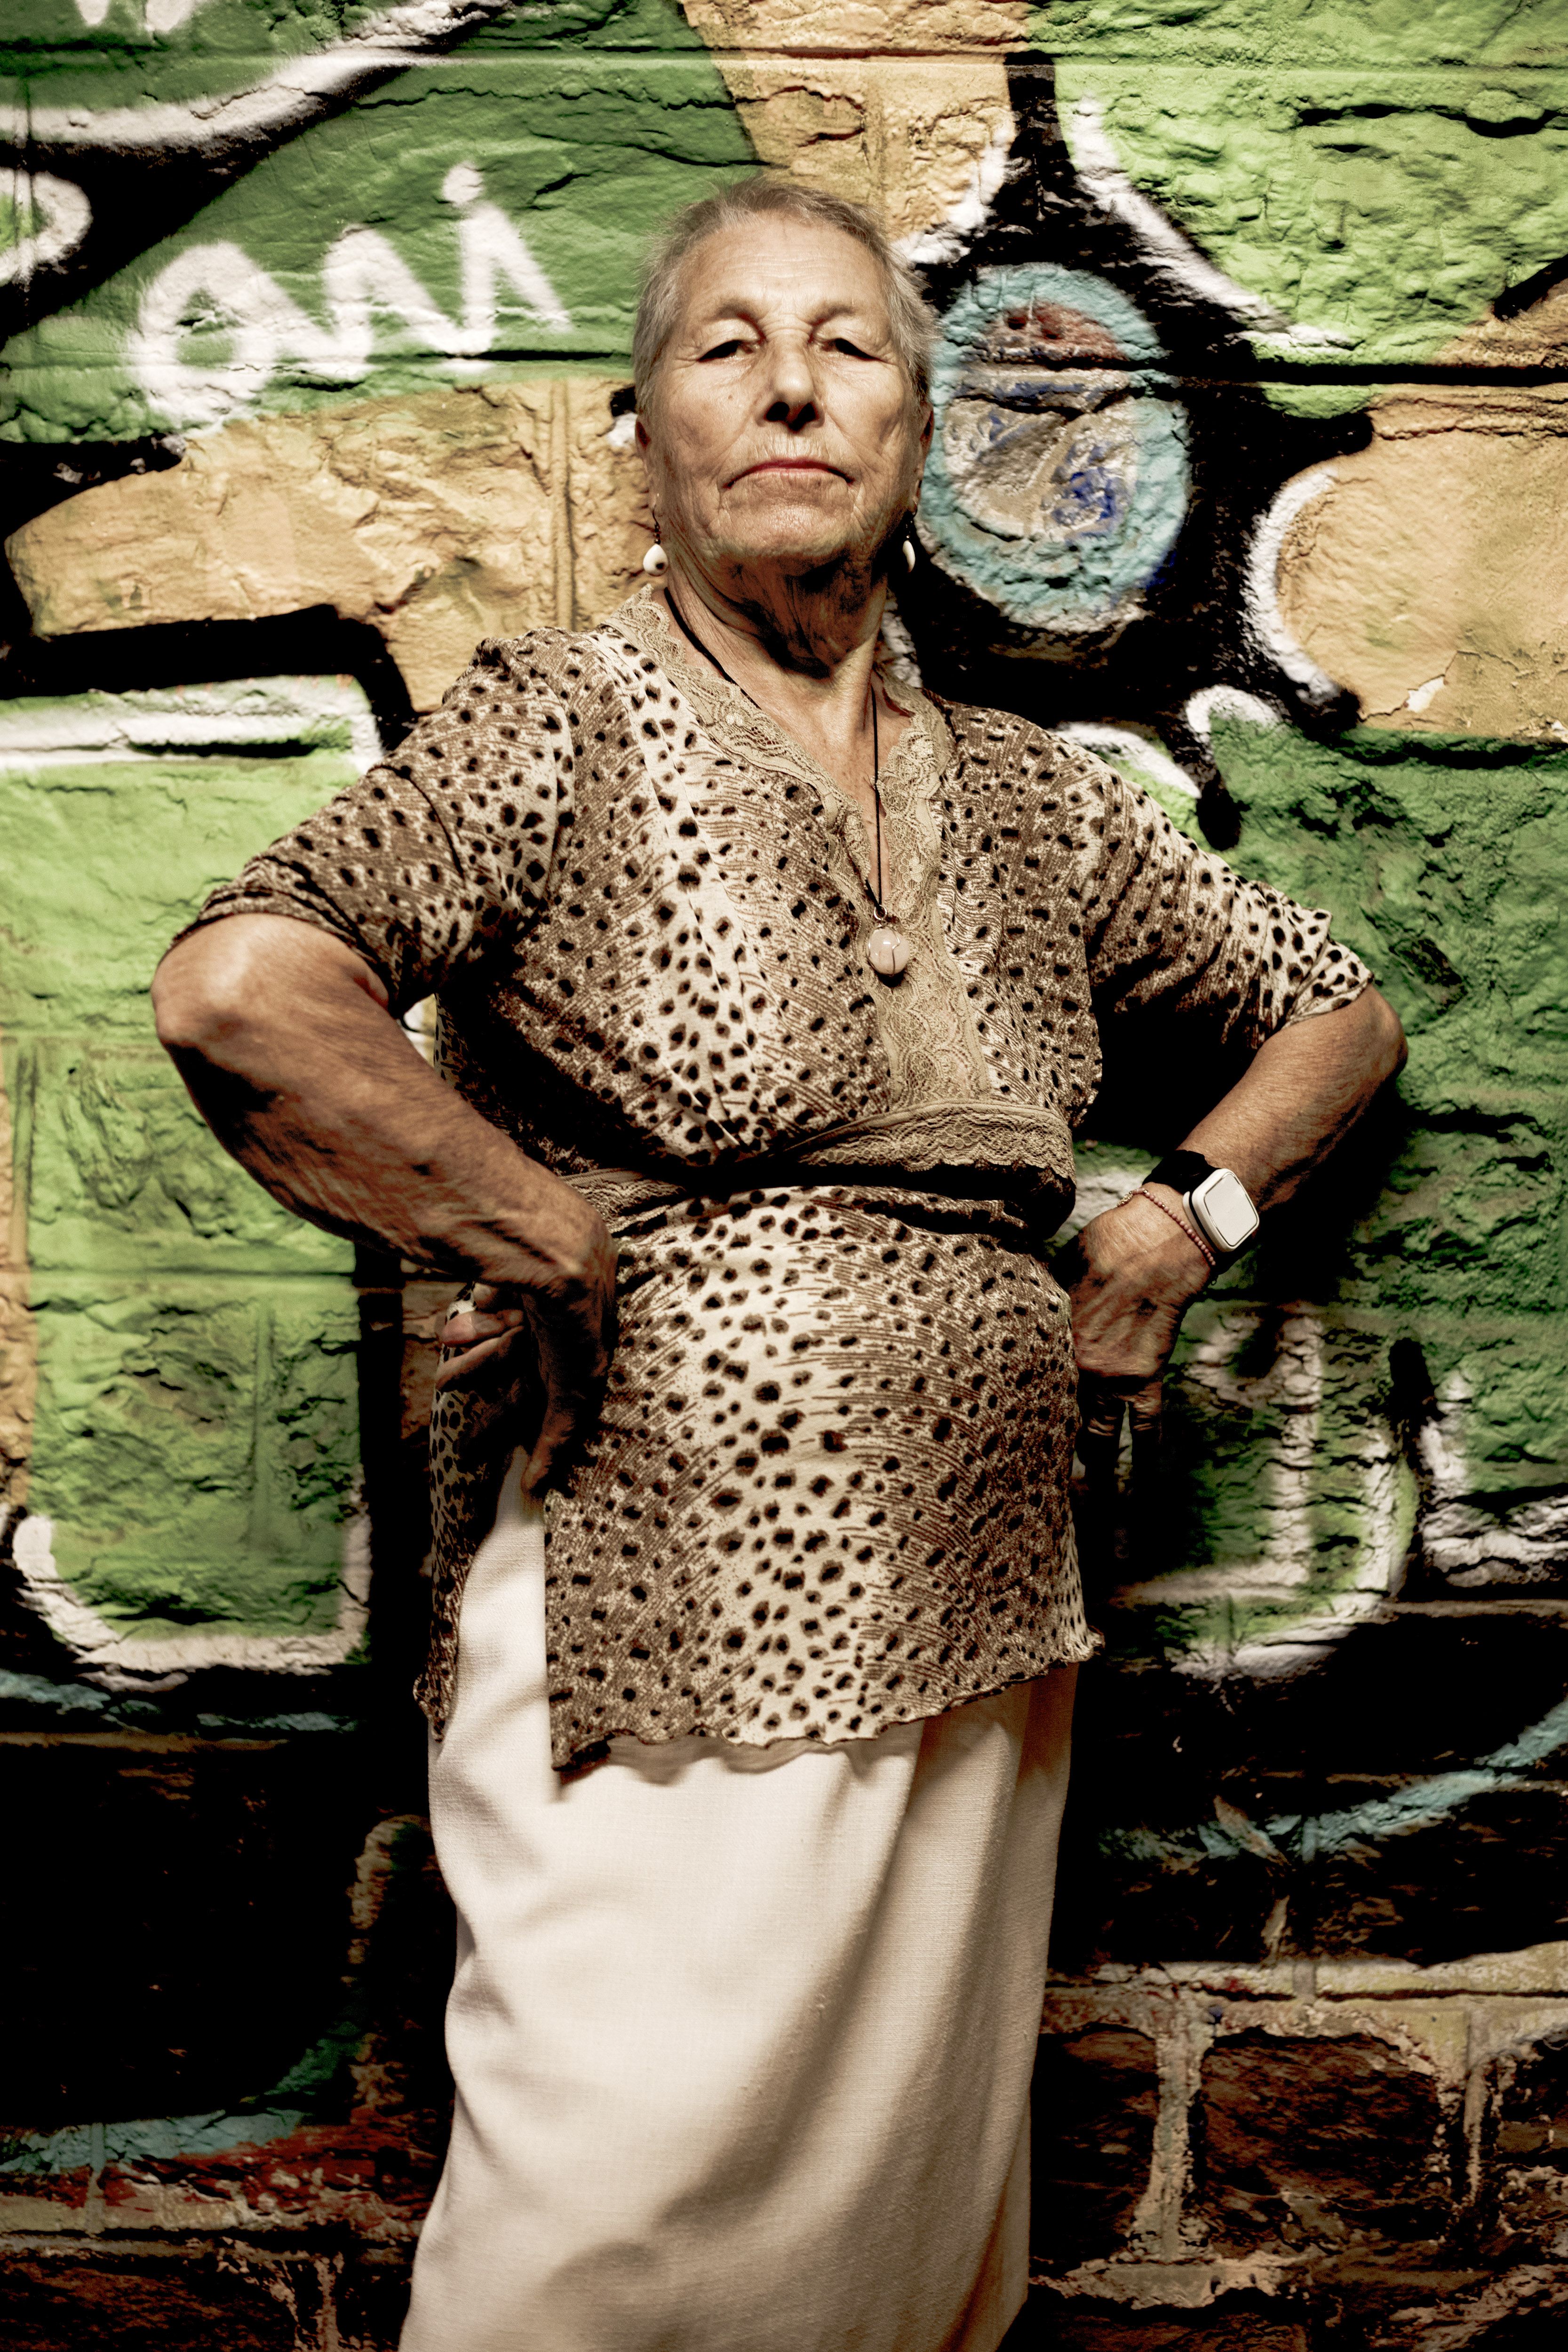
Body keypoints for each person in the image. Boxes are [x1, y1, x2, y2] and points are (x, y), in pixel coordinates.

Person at [153, 177, 1405, 2352]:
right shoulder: (560, 719)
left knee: (891, 2227)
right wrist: (520, 1211)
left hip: (986, 1589)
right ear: (645, 431)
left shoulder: (1034, 797)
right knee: (614, 2212)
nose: (794, 388)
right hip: (657, 1579)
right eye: (728, 347)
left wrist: (1173, 1220)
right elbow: (245, 986)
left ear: (917, 428)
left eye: (847, 346)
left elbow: (1341, 1014)